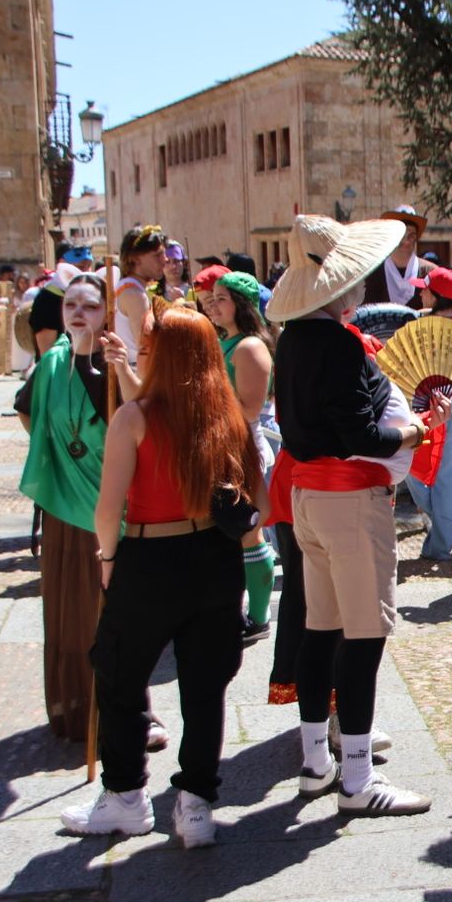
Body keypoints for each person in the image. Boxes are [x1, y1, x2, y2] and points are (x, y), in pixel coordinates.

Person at [60, 307, 267, 847]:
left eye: (149, 347)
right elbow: (258, 508)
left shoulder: (136, 416)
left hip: (150, 558)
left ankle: (126, 795)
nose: (143, 354)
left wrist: (107, 560)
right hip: (214, 560)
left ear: (164, 354)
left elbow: (109, 511)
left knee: (119, 673)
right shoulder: (229, 418)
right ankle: (195, 803)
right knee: (205, 686)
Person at [269, 213, 452, 814]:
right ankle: (355, 778)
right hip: (349, 500)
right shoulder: (339, 343)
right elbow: (363, 434)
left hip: (309, 500)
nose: (365, 287)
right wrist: (411, 433)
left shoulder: (293, 338)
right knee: (365, 635)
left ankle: (316, 762)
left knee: (320, 630)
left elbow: (307, 427)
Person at [16, 273, 130, 743]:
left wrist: (124, 369)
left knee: (115, 618)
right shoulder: (50, 365)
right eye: (71, 306)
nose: (79, 313)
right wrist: (54, 454)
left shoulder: (115, 364)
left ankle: (124, 710)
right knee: (71, 613)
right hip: (65, 508)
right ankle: (76, 707)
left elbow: (143, 418)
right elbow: (27, 411)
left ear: (106, 314)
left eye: (89, 305)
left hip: (111, 505)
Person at [199, 271, 279, 642]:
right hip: (219, 444)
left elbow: (249, 409)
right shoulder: (224, 341)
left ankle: (259, 618)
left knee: (249, 531)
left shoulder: (248, 347)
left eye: (222, 298)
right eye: (212, 297)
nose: (213, 304)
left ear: (242, 305)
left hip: (239, 446)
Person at [405, 266, 452, 561]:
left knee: (441, 477)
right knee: (421, 471)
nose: (420, 291)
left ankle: (439, 547)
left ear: (435, 297)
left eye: (425, 289)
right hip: (444, 406)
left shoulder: (429, 325)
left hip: (442, 406)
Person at [114, 225, 168, 363]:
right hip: (137, 372)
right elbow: (146, 346)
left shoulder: (131, 288)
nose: (165, 259)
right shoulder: (133, 293)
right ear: (135, 259)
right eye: (157, 255)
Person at [360, 206, 430, 306]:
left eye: (411, 235)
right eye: (402, 235)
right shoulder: (373, 273)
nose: (406, 241)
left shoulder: (429, 273)